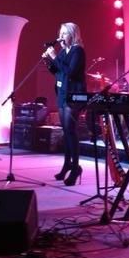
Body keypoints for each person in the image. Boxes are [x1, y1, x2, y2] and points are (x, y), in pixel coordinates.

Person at [42, 22, 86, 186]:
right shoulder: (62, 51)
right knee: (66, 132)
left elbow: (71, 72)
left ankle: (75, 167)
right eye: (60, 33)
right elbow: (57, 71)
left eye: (64, 34)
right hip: (62, 94)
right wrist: (48, 61)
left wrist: (54, 57)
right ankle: (67, 164)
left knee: (71, 131)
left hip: (74, 95)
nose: (60, 37)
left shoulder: (78, 51)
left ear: (72, 35)